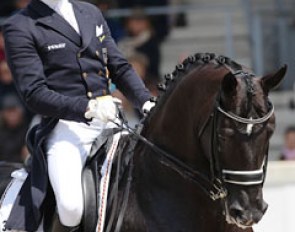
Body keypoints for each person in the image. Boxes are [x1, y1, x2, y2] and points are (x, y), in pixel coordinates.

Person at [3, 0, 154, 231]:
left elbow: (119, 66)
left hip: (111, 122)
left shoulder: (90, 12)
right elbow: (34, 93)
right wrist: (87, 107)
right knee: (70, 207)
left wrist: (145, 102)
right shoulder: (21, 25)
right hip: (66, 127)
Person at [0, 94, 29, 163]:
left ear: (21, 112)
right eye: (9, 111)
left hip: (21, 168)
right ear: (3, 113)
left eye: (14, 111)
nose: (12, 115)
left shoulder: (27, 130)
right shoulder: (1, 130)